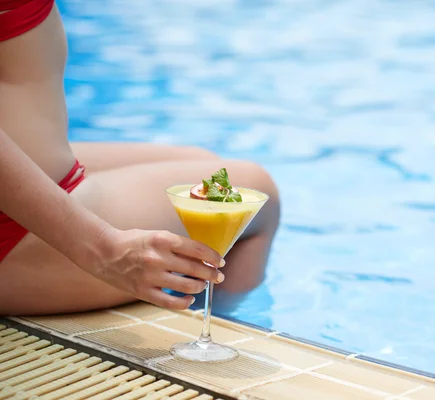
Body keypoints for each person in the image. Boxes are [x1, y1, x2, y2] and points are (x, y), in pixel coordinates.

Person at [0, 0, 280, 316]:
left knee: (204, 166)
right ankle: (213, 335)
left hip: (26, 175)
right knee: (254, 196)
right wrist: (104, 248)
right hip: (14, 229)